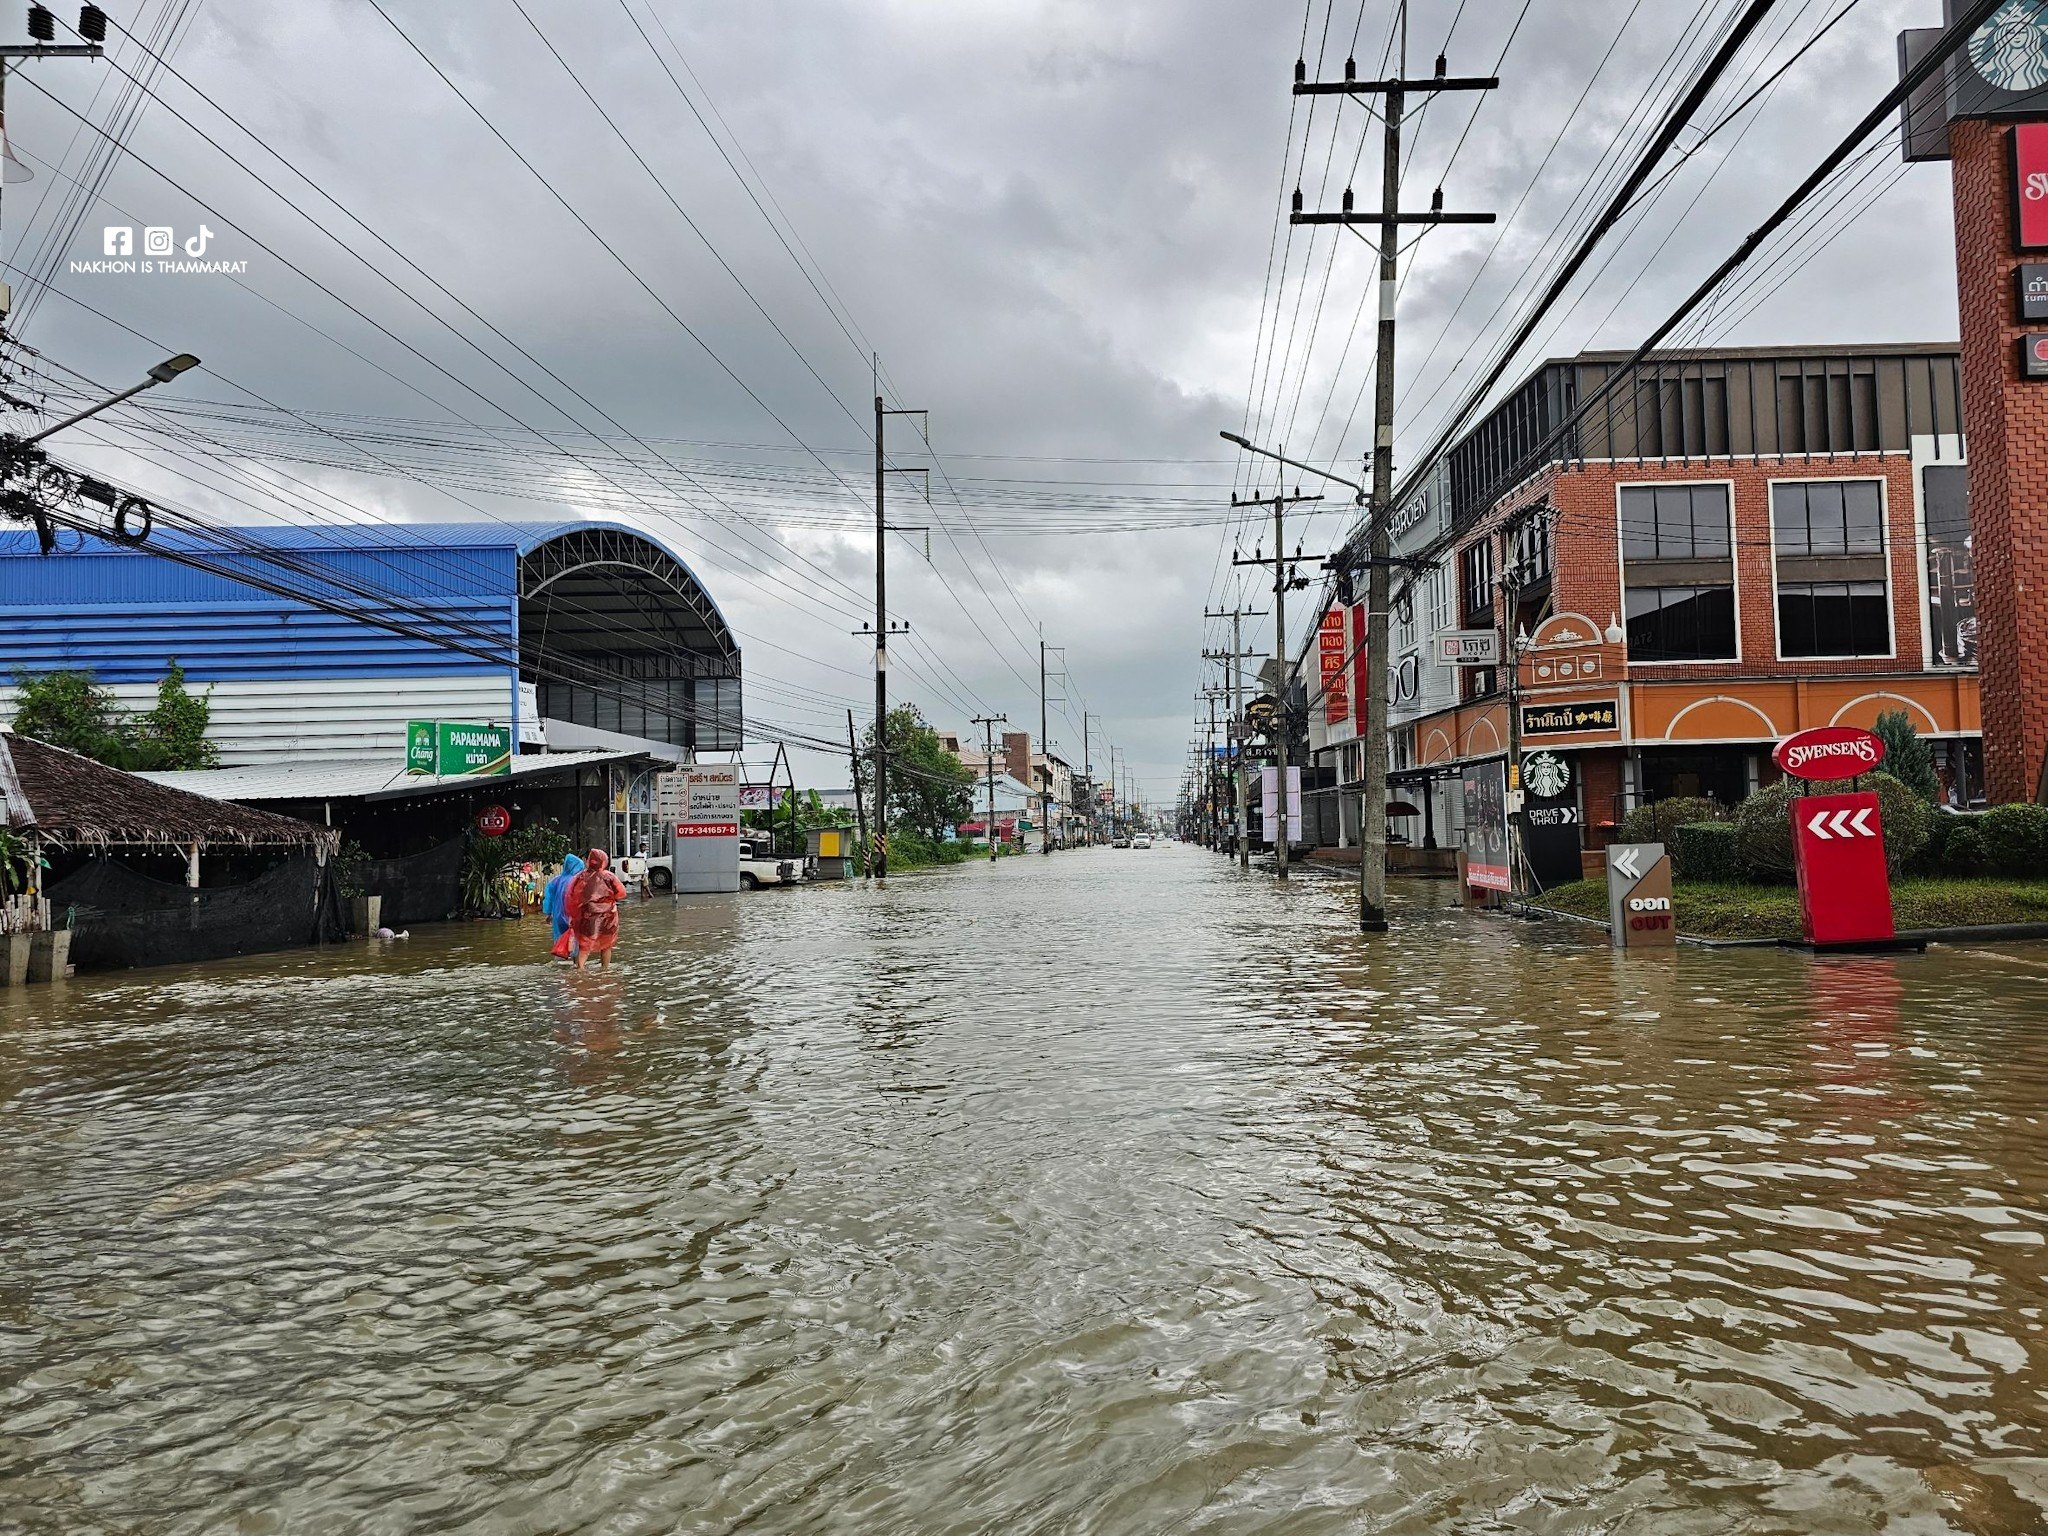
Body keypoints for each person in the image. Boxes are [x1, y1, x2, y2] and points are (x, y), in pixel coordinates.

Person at [554, 848, 628, 970]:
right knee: (606, 944)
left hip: (586, 916)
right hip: (607, 918)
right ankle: (605, 970)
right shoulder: (609, 876)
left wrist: (575, 914)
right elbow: (621, 893)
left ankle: (580, 970)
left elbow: (571, 896)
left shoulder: (580, 877)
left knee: (584, 945)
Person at [541, 853, 584, 961]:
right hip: (572, 915)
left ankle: (559, 965)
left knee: (560, 940)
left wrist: (549, 913)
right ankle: (577, 966)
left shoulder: (555, 881)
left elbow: (548, 899)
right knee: (576, 940)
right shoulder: (576, 881)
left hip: (557, 916)